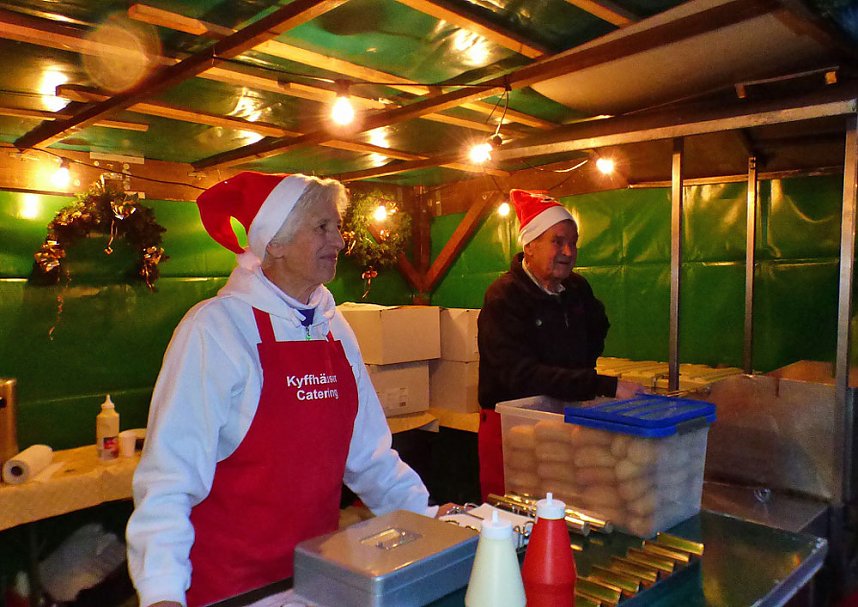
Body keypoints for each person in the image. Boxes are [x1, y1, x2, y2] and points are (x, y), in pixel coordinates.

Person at [126, 172, 449, 607]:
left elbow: (370, 456)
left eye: (338, 226)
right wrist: (161, 592)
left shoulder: (336, 329)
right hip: (231, 591)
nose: (338, 241)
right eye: (322, 227)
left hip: (315, 582)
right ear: (273, 242)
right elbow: (169, 478)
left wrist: (424, 516)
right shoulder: (216, 329)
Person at [477, 189, 643, 501]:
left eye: (574, 242)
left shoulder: (577, 289)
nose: (568, 250)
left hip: (562, 416)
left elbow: (597, 328)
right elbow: (520, 374)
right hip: (512, 425)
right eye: (557, 241)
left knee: (564, 509)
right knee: (513, 513)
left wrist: (579, 369)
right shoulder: (504, 296)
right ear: (530, 245)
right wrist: (600, 385)